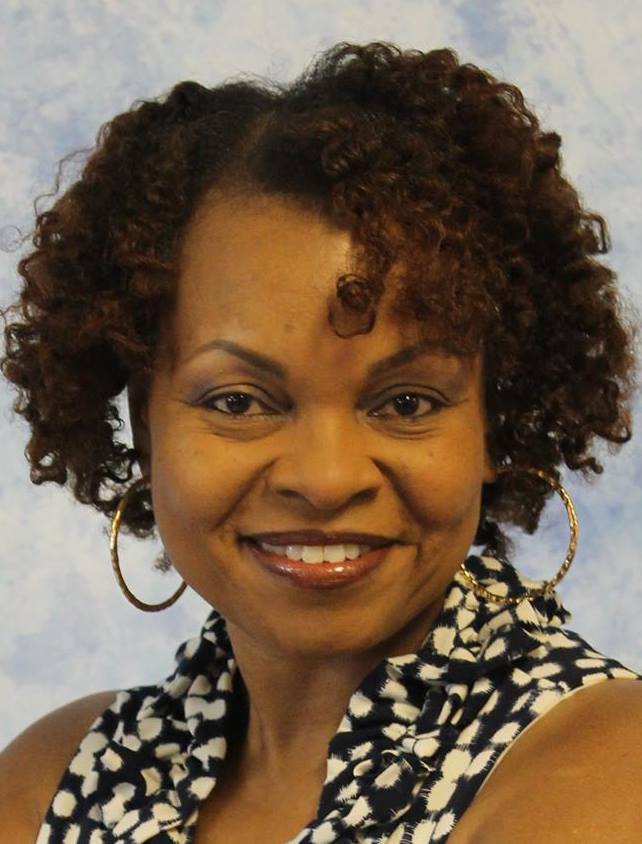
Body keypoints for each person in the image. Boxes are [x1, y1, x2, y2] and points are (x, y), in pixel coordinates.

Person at [0, 40, 640, 844]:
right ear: (145, 426)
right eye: (239, 402)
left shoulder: (607, 771)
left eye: (406, 402)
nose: (328, 478)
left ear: (492, 423)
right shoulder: (52, 783)